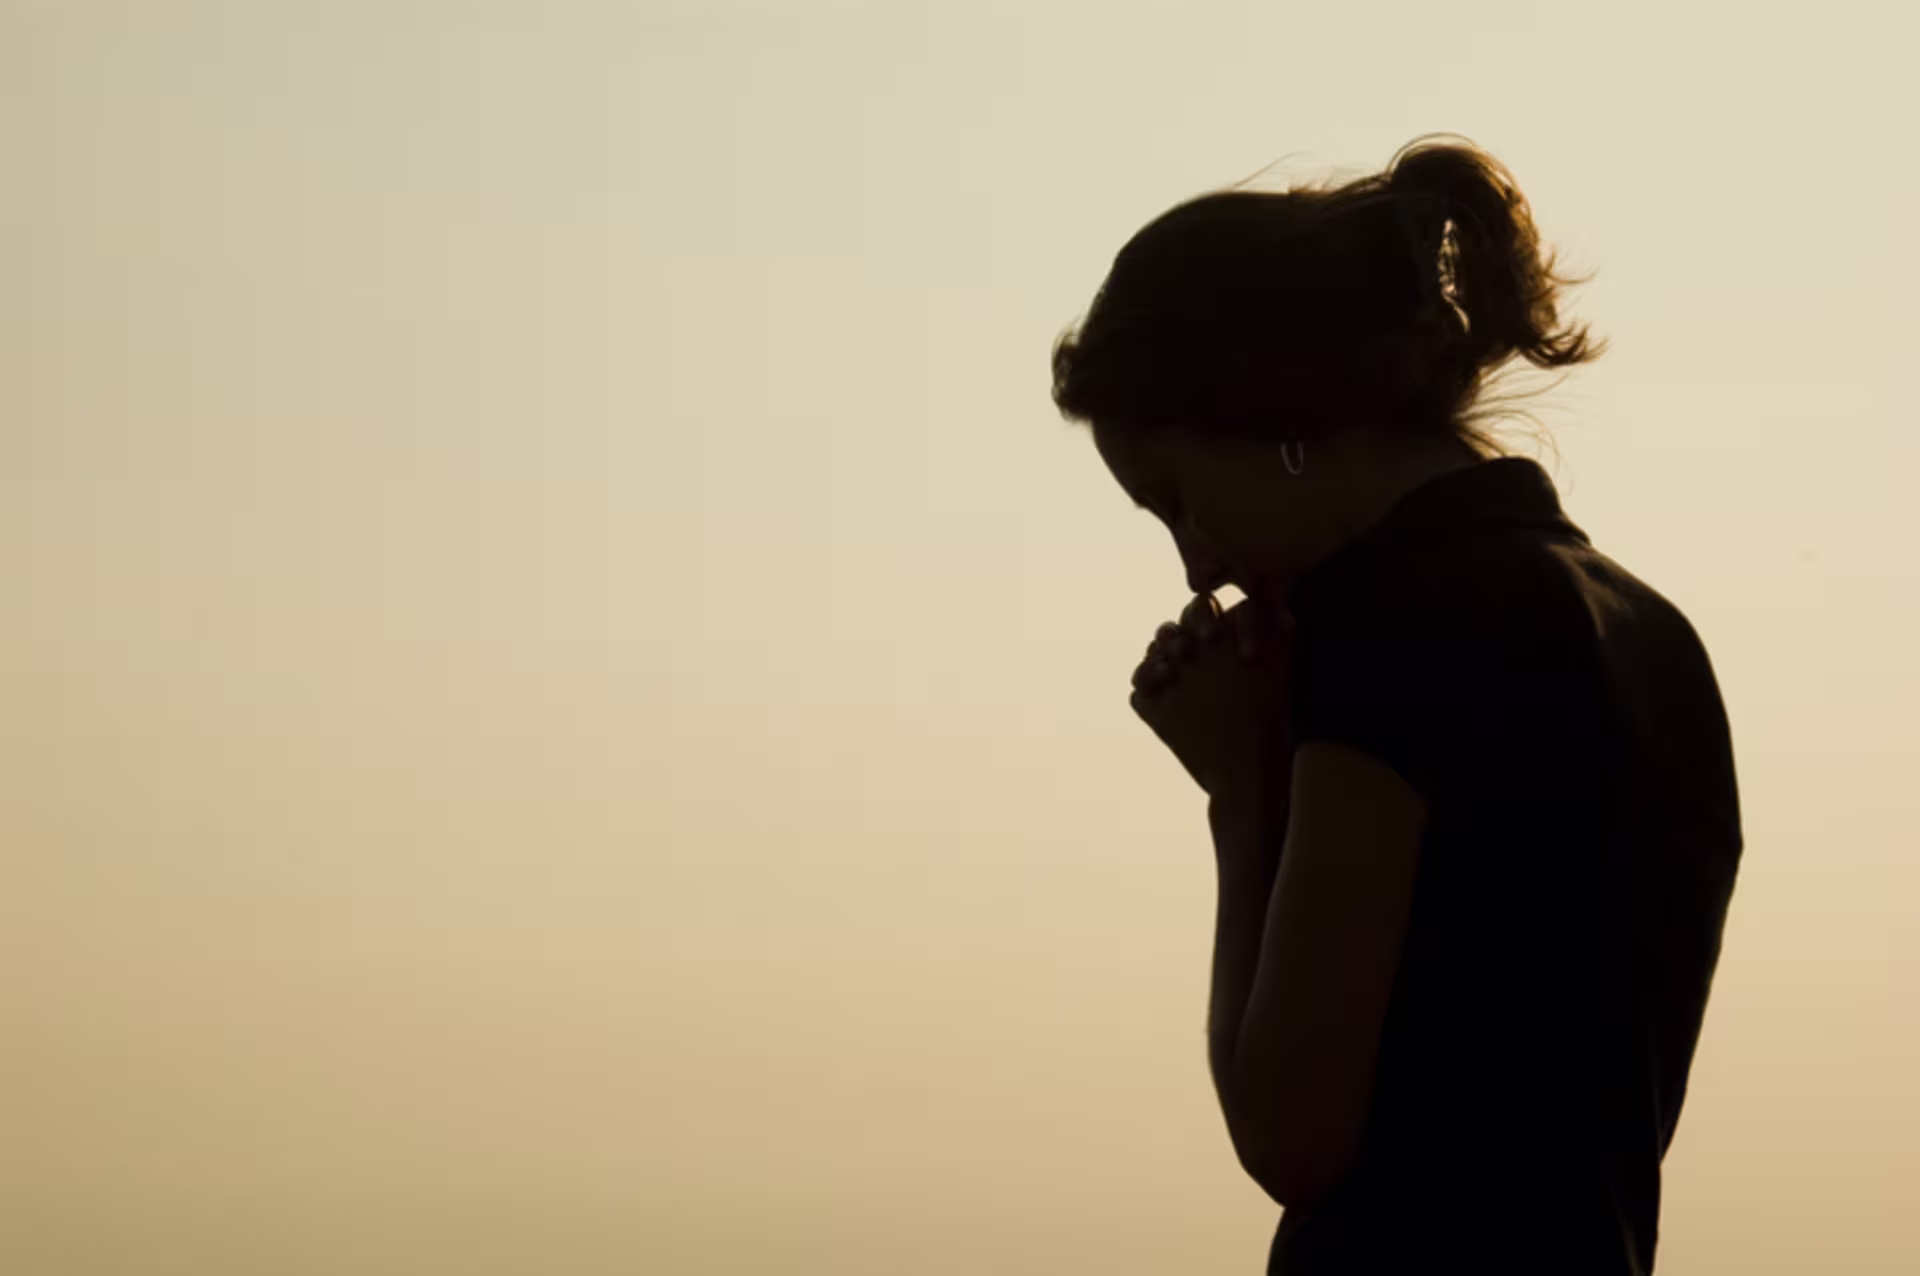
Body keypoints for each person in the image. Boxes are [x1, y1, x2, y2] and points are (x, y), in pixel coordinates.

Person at [1047, 134, 1743, 1275]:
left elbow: (1292, 1134)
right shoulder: (1657, 637)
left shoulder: (1397, 627)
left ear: (1277, 417)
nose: (1194, 569)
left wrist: (1241, 787)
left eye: (1179, 500)